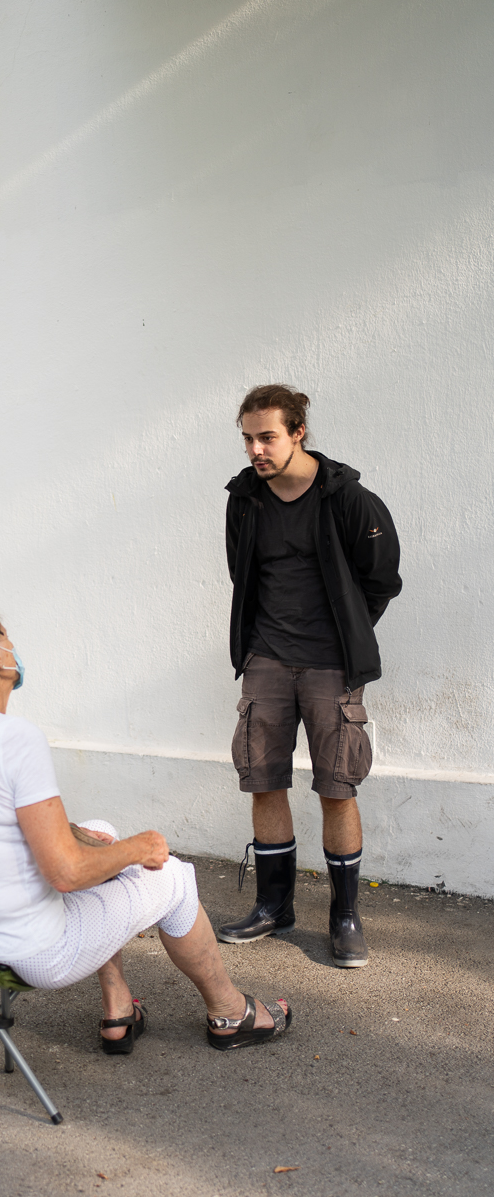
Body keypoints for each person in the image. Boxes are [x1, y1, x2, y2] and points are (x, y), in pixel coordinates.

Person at [0, 600, 291, 1052]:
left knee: (97, 828)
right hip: (27, 951)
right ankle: (230, 1013)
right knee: (175, 879)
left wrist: (84, 837)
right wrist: (138, 848)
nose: (13, 646)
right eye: (5, 636)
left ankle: (119, 1009)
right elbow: (67, 874)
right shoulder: (15, 738)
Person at [219, 385, 401, 967]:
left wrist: (346, 632)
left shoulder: (348, 499)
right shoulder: (244, 500)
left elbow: (382, 580)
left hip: (331, 665)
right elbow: (242, 574)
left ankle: (345, 916)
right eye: (248, 438)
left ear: (298, 432)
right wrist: (257, 648)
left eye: (267, 437)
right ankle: (274, 906)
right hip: (267, 660)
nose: (256, 450)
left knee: (336, 787)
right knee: (263, 780)